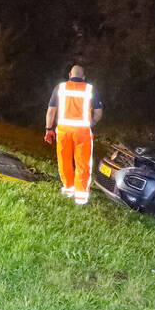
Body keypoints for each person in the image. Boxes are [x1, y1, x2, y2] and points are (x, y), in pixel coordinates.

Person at [44, 65, 104, 205]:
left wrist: (48, 129)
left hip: (64, 131)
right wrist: (91, 124)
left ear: (70, 74)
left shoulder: (60, 88)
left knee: (64, 159)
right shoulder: (90, 89)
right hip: (82, 132)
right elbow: (99, 113)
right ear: (83, 77)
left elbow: (51, 111)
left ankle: (68, 188)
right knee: (83, 163)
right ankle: (81, 196)